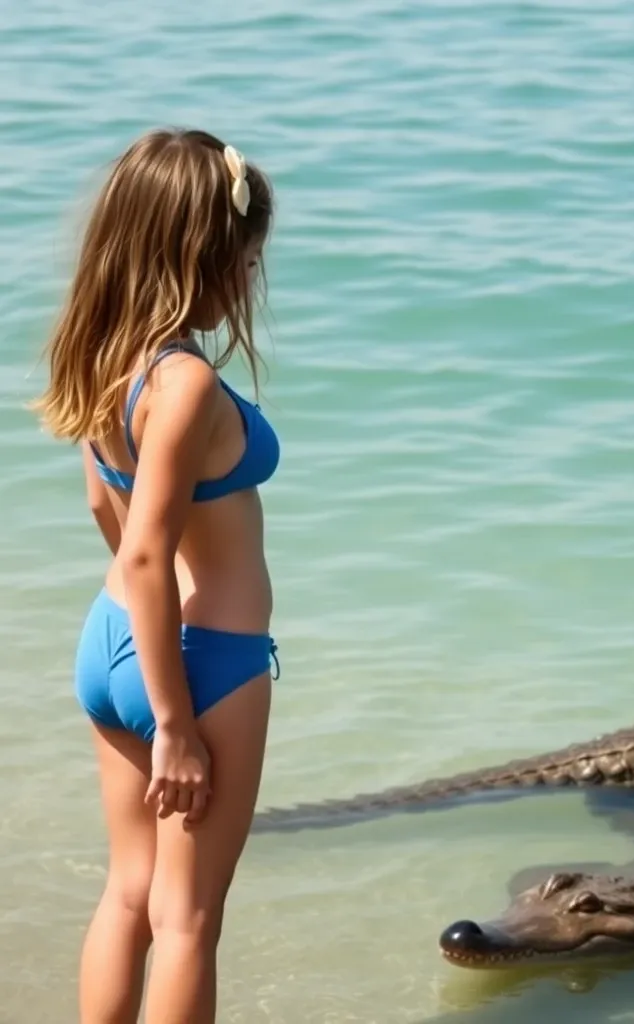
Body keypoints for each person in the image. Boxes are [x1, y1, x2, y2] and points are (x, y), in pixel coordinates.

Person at [31, 127, 280, 1024]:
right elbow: (145, 548)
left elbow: (108, 514)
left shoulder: (105, 359)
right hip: (201, 666)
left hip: (110, 645)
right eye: (245, 261)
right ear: (199, 256)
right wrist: (173, 718)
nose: (250, 280)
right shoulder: (186, 386)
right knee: (187, 919)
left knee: (128, 895)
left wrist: (143, 654)